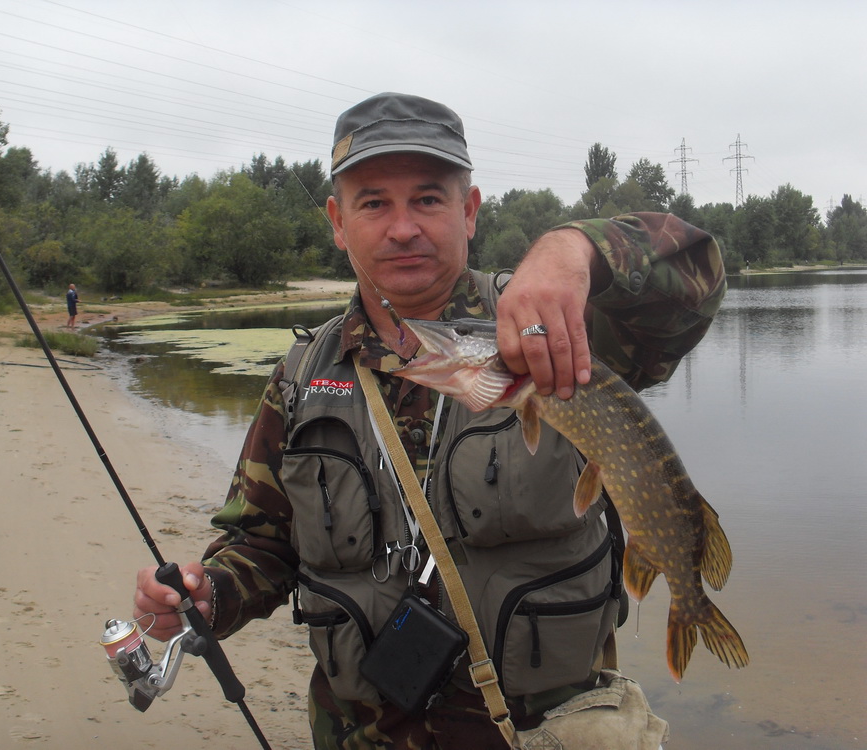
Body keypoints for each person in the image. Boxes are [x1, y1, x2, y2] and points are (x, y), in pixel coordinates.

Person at [133, 93, 725, 749]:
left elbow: (697, 268)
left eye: (427, 199)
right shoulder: (301, 377)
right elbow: (263, 542)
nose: (403, 228)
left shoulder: (560, 333)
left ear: (468, 211)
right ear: (338, 222)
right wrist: (210, 595)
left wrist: (574, 248)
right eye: (373, 203)